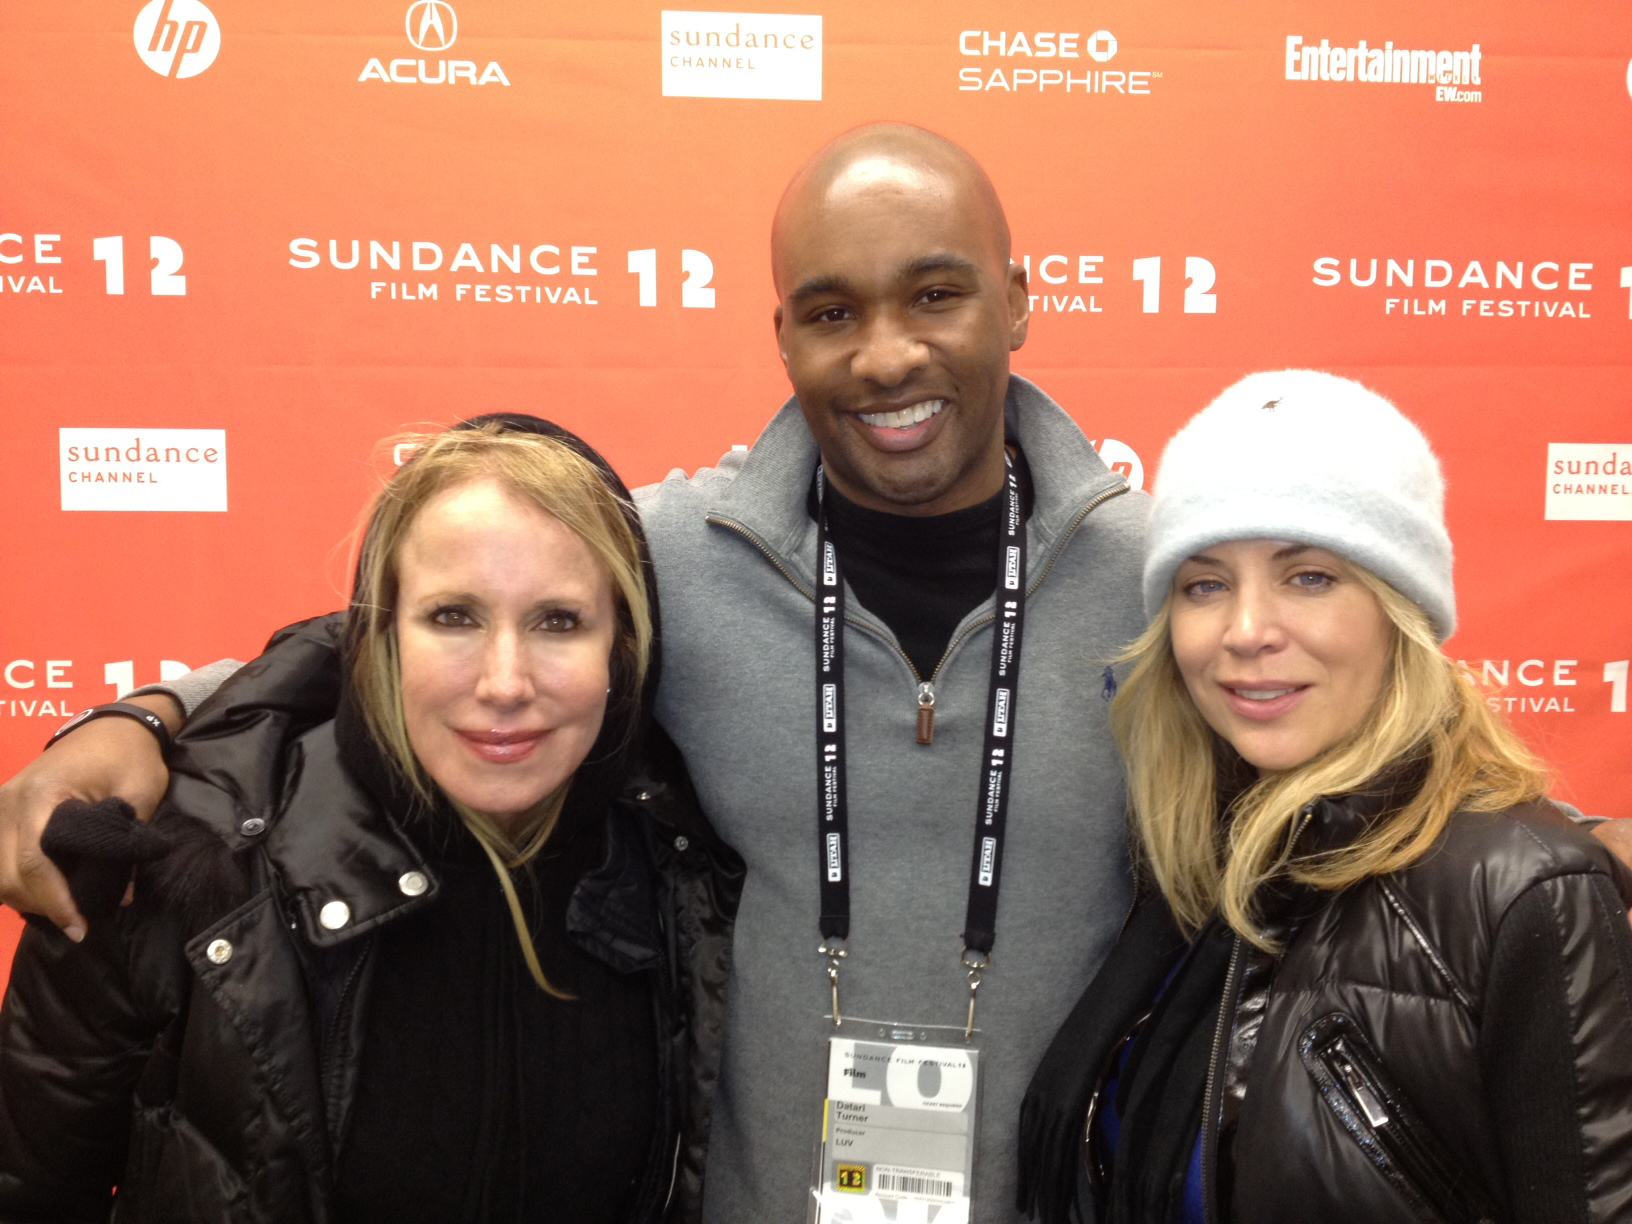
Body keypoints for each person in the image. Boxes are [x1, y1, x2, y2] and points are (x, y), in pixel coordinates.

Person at [2, 127, 1628, 1219]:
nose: (886, 355)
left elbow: (1360, 724)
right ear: (779, 333)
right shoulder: (670, 552)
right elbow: (413, 628)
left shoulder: (1163, 576)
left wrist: (1556, 875)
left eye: (935, 294)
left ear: (1018, 299)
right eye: (830, 310)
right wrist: (146, 716)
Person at [0, 416, 742, 1222]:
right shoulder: (182, 851)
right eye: (453, 616)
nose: (504, 681)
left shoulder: (687, 867)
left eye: (558, 621)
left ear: (622, 650)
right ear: (380, 632)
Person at [1018, 370, 1632, 1224]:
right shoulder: (1186, 858)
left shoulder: (1523, 893)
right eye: (1205, 584)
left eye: (1307, 576)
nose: (1245, 630)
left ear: (1399, 611)